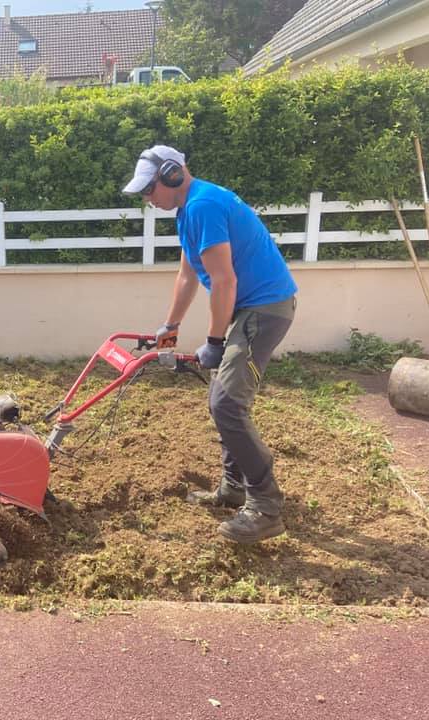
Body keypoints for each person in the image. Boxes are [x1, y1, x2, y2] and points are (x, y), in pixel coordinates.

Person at [123, 145, 298, 544]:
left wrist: (215, 341)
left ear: (172, 175)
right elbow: (188, 276)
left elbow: (224, 281)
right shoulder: (189, 210)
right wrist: (169, 327)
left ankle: (266, 508)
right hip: (249, 310)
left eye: (150, 191)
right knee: (224, 400)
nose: (148, 200)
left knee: (227, 404)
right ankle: (233, 488)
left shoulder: (203, 205)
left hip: (264, 310)